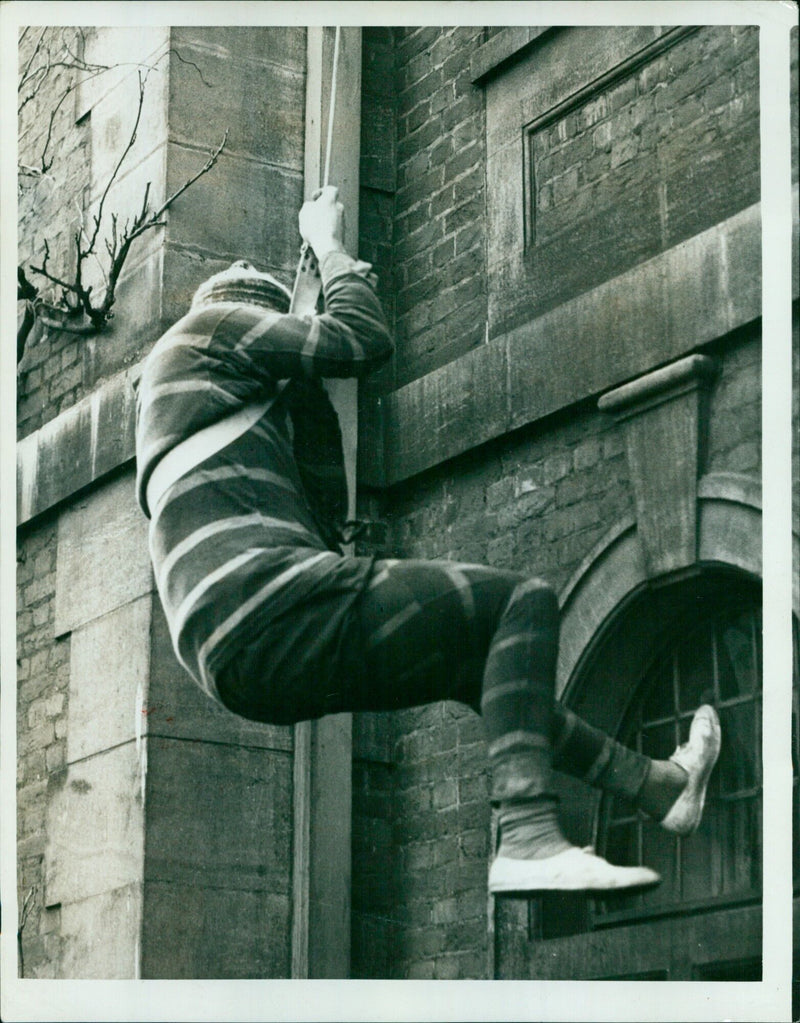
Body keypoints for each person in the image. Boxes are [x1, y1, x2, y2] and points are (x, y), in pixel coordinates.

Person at [134, 186, 721, 895]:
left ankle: (660, 787)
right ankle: (529, 836)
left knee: (485, 667)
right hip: (261, 600)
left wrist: (325, 320)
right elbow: (362, 340)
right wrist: (330, 249)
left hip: (237, 658)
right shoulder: (204, 334)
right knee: (518, 603)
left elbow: (328, 524)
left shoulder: (224, 424)